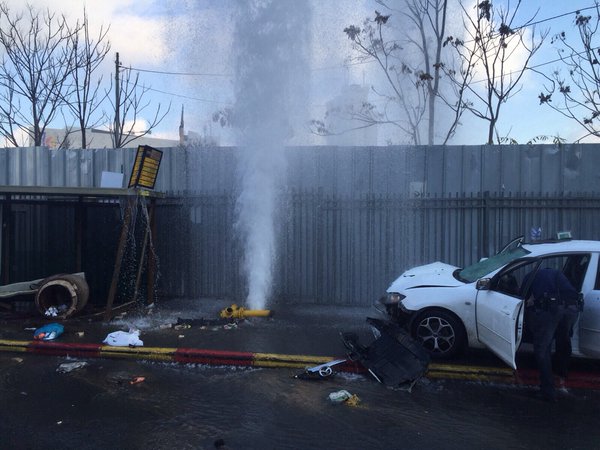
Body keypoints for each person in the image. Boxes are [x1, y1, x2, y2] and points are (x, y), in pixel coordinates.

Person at [525, 267, 581, 401]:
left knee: (542, 349)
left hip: (551, 310)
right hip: (572, 309)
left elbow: (522, 299)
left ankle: (548, 391)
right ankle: (561, 374)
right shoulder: (557, 273)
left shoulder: (529, 277)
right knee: (563, 339)